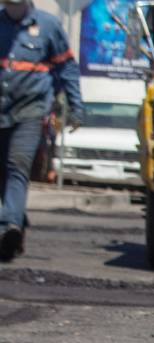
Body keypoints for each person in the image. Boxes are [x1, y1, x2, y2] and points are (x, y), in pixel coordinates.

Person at [0, 0, 83, 262]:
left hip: (30, 112)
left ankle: (8, 226)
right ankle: (15, 222)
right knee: (4, 172)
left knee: (17, 166)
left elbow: (67, 67)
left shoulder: (48, 26)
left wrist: (75, 106)